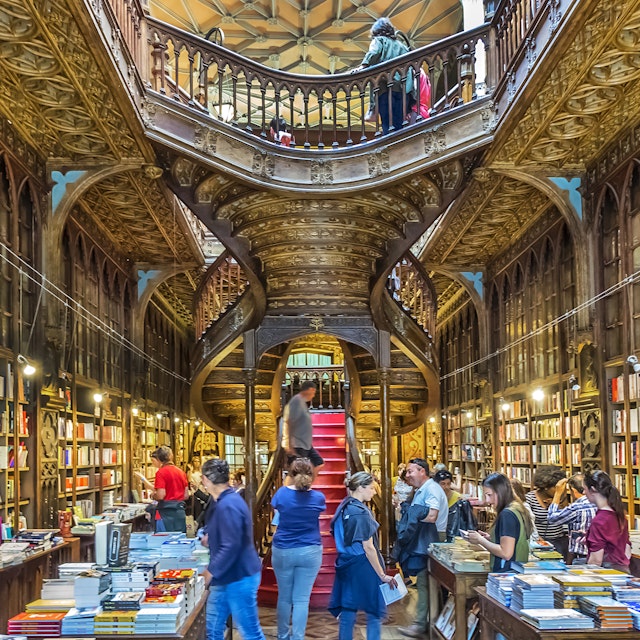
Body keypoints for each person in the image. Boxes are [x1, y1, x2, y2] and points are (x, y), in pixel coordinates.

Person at [201, 458, 265, 640]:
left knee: (250, 632)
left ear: (206, 480)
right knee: (212, 629)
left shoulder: (228, 505)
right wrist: (210, 537)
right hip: (227, 576)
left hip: (239, 577)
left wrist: (209, 572)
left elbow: (231, 545)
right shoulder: (224, 501)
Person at [329, 471, 396, 640]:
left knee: (348, 609)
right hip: (362, 564)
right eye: (372, 488)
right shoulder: (360, 512)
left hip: (346, 562)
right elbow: (369, 547)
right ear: (360, 487)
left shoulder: (344, 506)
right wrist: (382, 574)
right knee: (373, 610)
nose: (374, 492)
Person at [271, 458, 326, 640]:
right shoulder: (318, 498)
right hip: (310, 549)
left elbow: (276, 514)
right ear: (312, 475)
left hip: (284, 549)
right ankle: (298, 637)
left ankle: (282, 635)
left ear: (290, 475)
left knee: (284, 597)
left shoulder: (281, 494)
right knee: (302, 599)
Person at [398, 458, 448, 639]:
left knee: (424, 580)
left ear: (422, 471)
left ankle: (421, 624)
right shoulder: (423, 489)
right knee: (425, 581)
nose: (408, 475)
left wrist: (410, 515)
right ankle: (431, 620)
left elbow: (432, 516)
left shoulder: (431, 489)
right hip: (426, 537)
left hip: (431, 538)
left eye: (411, 471)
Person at [353, 18, 413, 135]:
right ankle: (400, 147)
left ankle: (391, 147)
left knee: (387, 123)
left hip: (385, 88)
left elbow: (374, 53)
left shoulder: (379, 40)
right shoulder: (402, 46)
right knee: (399, 123)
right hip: (403, 89)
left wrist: (363, 66)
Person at [466, 472, 532, 572]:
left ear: (500, 492)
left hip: (507, 572)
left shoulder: (507, 514)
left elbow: (506, 553)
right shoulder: (517, 508)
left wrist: (480, 540)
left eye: (489, 495)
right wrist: (492, 538)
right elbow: (515, 538)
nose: (487, 500)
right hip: (516, 569)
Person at [583, 470, 631, 572]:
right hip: (622, 570)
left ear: (592, 489)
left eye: (584, 489)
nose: (583, 493)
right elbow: (626, 548)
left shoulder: (599, 521)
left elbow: (596, 561)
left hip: (607, 573)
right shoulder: (619, 514)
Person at [547, 473, 596, 563]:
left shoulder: (577, 507)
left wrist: (557, 494)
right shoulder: (601, 503)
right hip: (600, 555)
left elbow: (552, 518)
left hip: (582, 557)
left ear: (574, 491)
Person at [140, 446, 189, 532]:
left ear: (159, 459)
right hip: (180, 512)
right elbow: (186, 495)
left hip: (165, 513)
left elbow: (161, 495)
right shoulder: (181, 472)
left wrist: (153, 495)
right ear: (171, 456)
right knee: (180, 539)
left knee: (163, 540)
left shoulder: (161, 472)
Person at [525, 466, 569, 559]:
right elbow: (528, 523)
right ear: (545, 487)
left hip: (560, 541)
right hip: (540, 543)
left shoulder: (561, 497)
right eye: (555, 488)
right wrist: (539, 539)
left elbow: (565, 518)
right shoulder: (530, 498)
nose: (559, 490)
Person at [283, 381, 324, 477]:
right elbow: (289, 422)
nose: (313, 395)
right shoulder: (296, 401)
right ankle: (287, 491)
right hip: (297, 444)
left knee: (319, 463)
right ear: (310, 390)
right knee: (295, 473)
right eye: (313, 392)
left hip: (306, 445)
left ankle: (306, 486)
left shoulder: (302, 402)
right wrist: (289, 444)